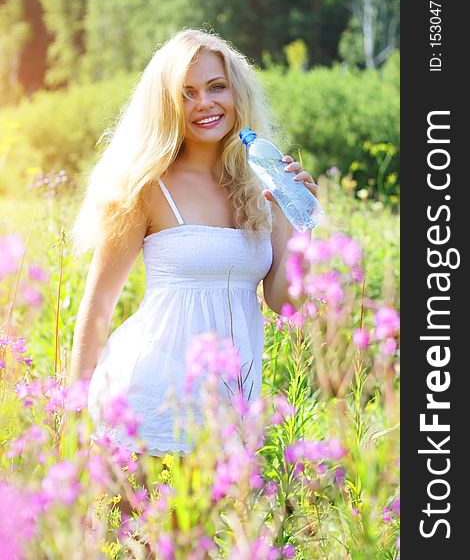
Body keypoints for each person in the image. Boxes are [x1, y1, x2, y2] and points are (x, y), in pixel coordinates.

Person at [70, 28, 318, 458]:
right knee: (141, 527)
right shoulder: (145, 187)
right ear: (166, 105)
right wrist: (72, 420)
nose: (204, 103)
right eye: (186, 93)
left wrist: (300, 222)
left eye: (216, 87)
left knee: (215, 528)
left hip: (231, 409)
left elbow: (286, 303)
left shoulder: (262, 181)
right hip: (149, 402)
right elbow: (98, 306)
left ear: (236, 92)